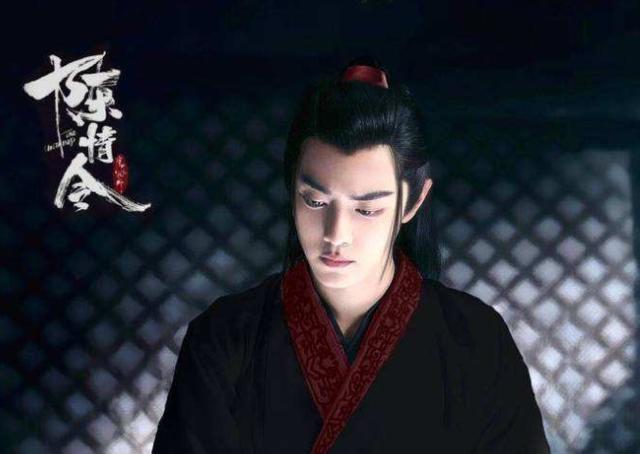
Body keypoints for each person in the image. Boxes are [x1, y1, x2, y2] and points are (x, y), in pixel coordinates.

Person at [152, 56, 550, 453]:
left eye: (367, 209)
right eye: (315, 201)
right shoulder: (224, 338)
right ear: (292, 189)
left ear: (413, 202)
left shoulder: (476, 340)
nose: (336, 234)